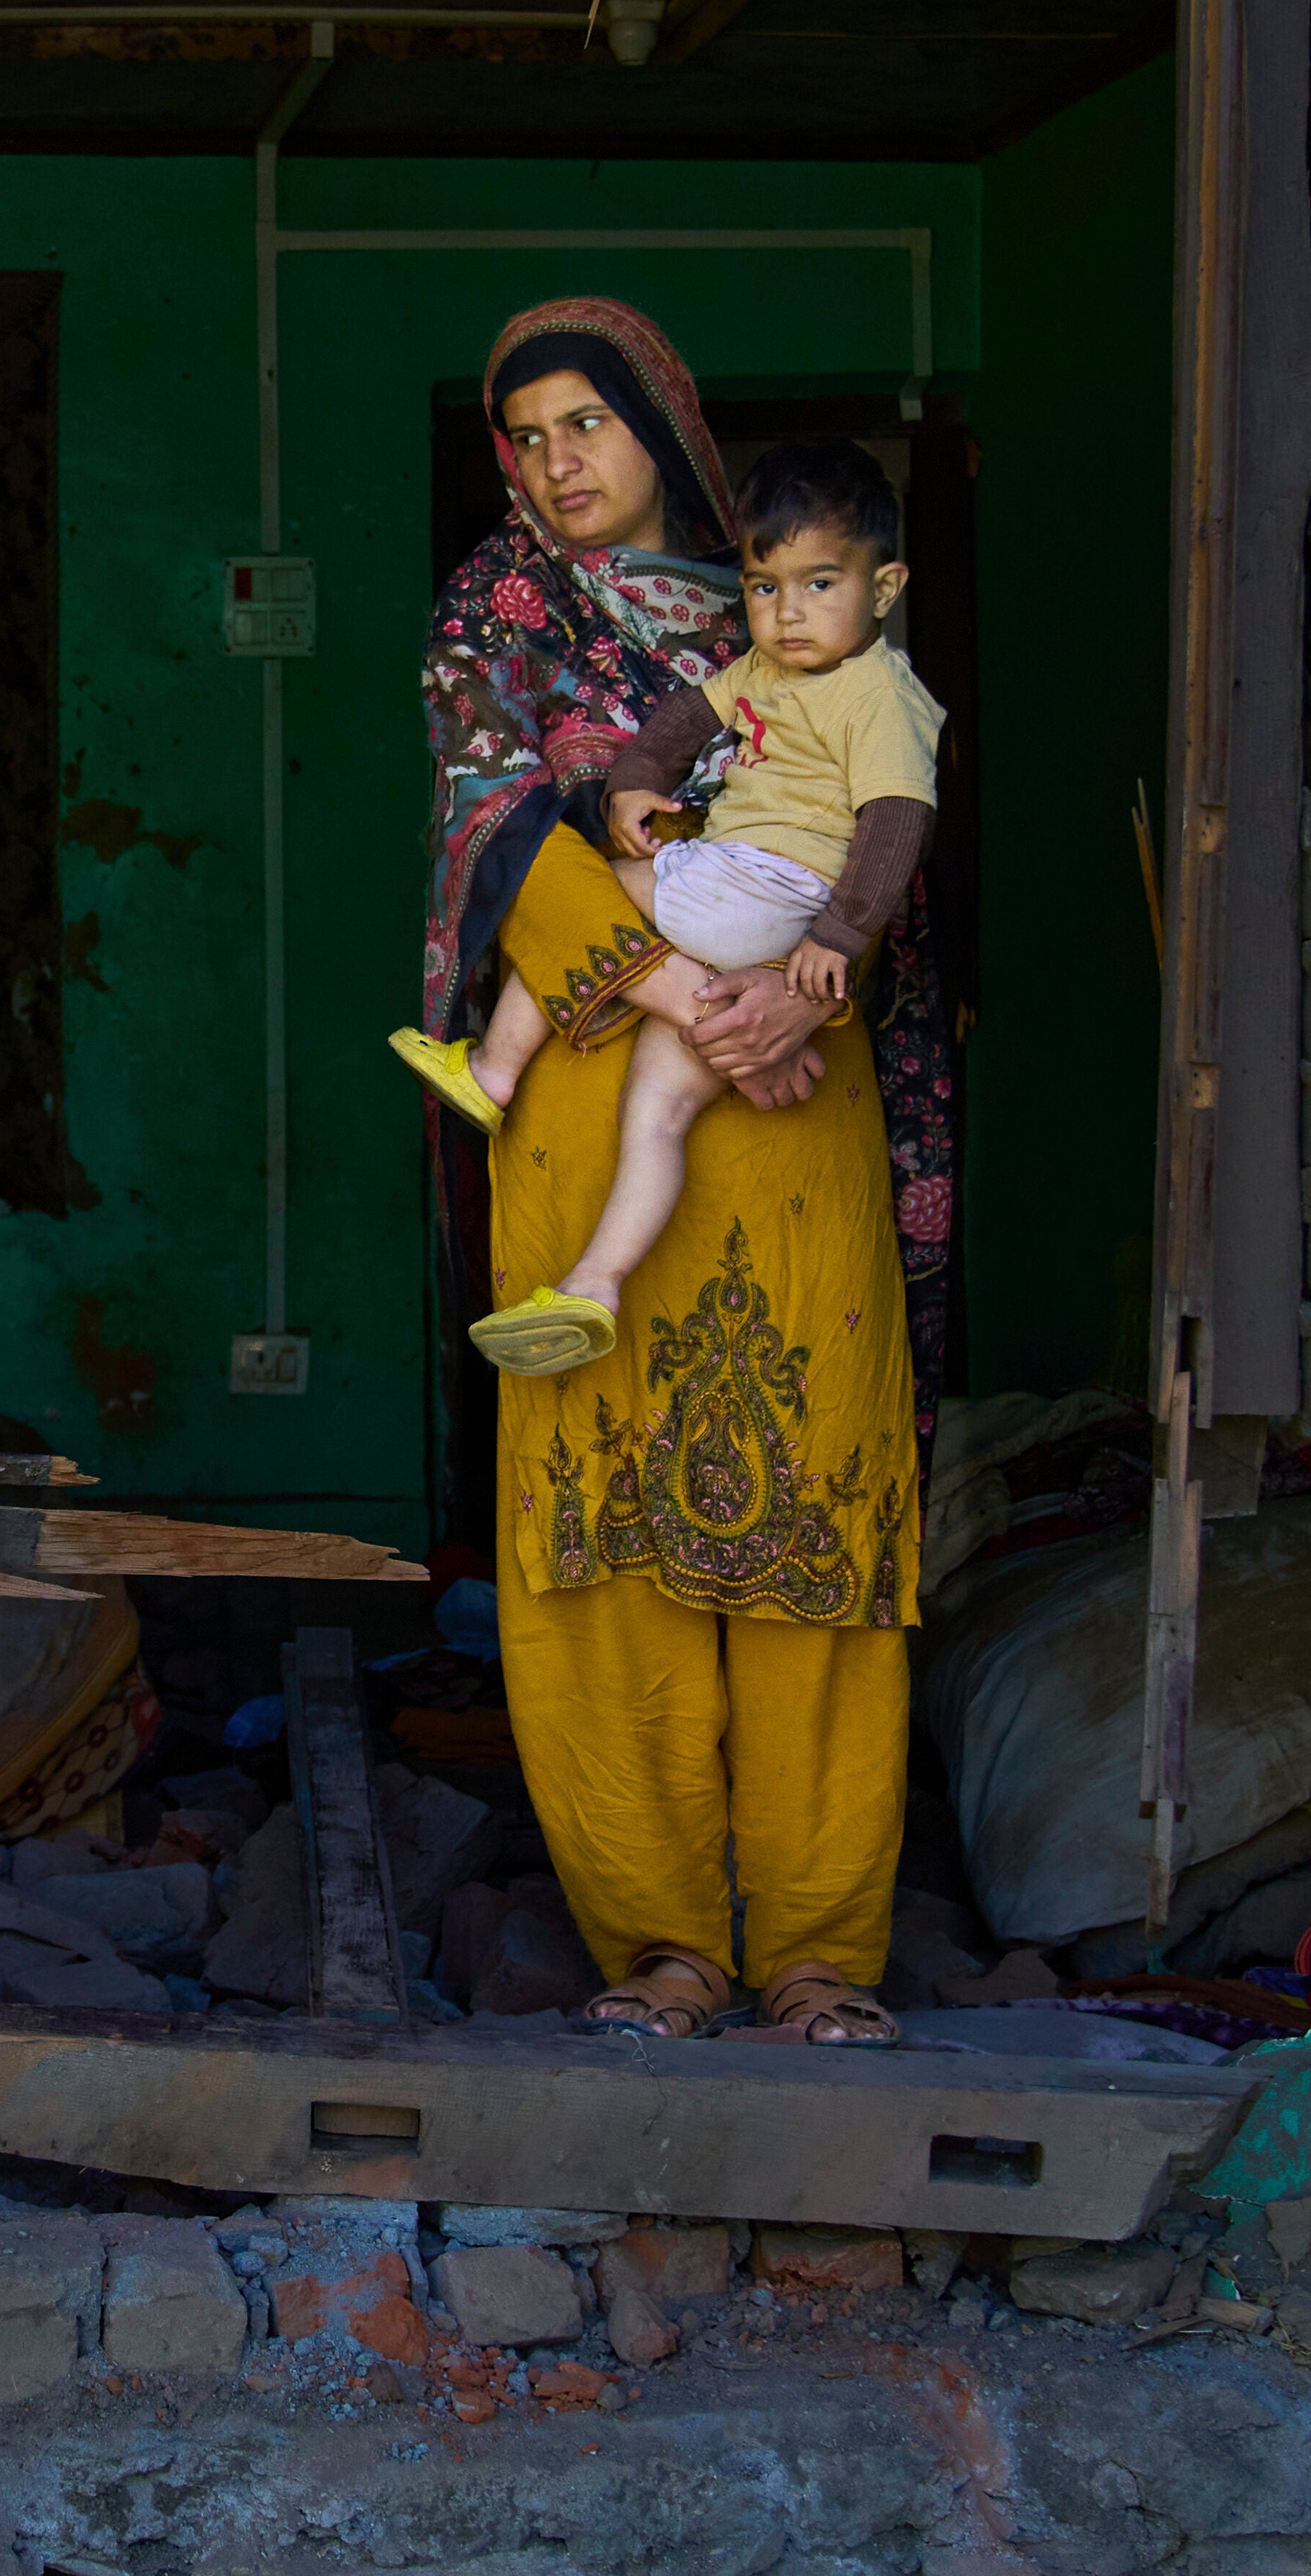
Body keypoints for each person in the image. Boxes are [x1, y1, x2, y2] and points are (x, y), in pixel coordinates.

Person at [411, 299, 951, 2049]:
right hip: (598, 1098)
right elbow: (499, 838)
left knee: (819, 1521)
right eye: (527, 436)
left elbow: (888, 830)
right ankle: (662, 1950)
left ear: (661, 425)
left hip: (798, 1100)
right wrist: (699, 1002)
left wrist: (794, 995)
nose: (557, 461)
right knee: (603, 1545)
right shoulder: (502, 619)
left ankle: (817, 1954)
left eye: (587, 420)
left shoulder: (796, 603)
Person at [392, 437, 941, 1377]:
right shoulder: (747, 665)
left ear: (884, 588)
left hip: (772, 935)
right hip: (741, 981)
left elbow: (895, 828)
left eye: (819, 584)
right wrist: (636, 781)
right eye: (765, 587)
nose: (788, 611)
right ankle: (596, 1282)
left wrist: (830, 956)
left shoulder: (872, 688)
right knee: (655, 1111)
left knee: (609, 886)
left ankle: (492, 1071)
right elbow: (677, 727)